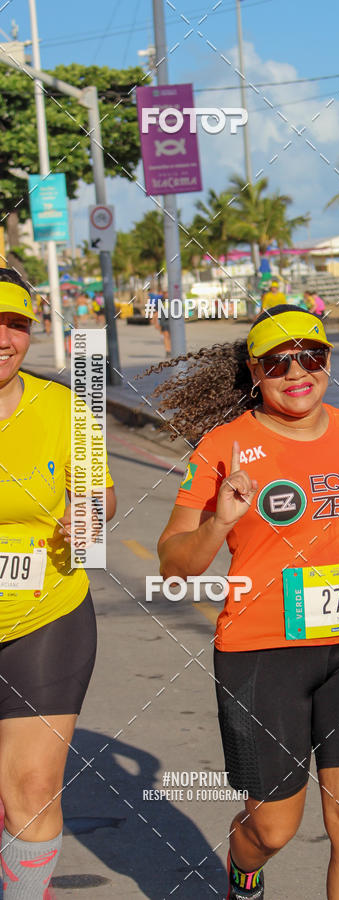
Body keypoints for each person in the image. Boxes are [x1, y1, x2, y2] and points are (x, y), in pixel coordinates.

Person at [156, 304, 339, 900]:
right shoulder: (225, 445)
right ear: (255, 371)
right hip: (261, 653)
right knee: (273, 830)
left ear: (328, 361)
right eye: (278, 362)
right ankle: (244, 867)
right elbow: (174, 563)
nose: (296, 372)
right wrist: (218, 523)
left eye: (312, 356)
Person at [0, 268, 116, 898]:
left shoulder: (68, 409)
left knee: (32, 787)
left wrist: (90, 514)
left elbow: (101, 494)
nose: (2, 337)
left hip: (46, 615)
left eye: (15, 323)